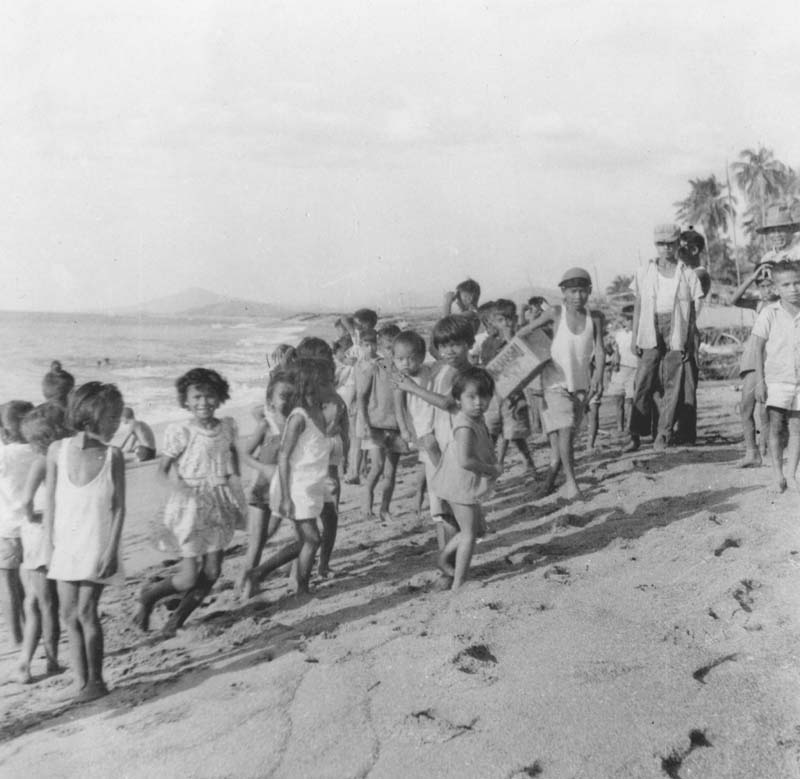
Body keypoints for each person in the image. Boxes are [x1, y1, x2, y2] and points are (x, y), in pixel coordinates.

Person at [135, 368, 246, 636]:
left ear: (220, 397)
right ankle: (149, 597)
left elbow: (232, 461)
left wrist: (236, 490)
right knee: (188, 577)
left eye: (209, 396)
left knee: (213, 572)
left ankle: (175, 622)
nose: (203, 402)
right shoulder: (181, 431)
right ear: (185, 400)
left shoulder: (227, 427)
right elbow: (161, 472)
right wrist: (181, 489)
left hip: (218, 504)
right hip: (190, 509)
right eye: (196, 397)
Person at [45, 382, 126, 702]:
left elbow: (119, 507)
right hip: (65, 543)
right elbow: (50, 501)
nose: (117, 423)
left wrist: (112, 551)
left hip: (97, 544)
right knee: (68, 614)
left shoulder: (113, 456)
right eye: (112, 417)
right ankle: (80, 681)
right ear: (89, 415)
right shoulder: (57, 450)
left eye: (119, 416)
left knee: (86, 611)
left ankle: (96, 681)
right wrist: (49, 545)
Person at [518, 267, 605, 499]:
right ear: (564, 293)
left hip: (580, 385)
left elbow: (600, 350)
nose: (578, 296)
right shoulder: (556, 313)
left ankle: (550, 481)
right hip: (554, 383)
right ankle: (571, 484)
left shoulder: (595, 318)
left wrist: (598, 376)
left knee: (563, 437)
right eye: (572, 291)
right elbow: (524, 332)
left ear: (589, 291)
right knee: (565, 431)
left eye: (582, 291)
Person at [394, 315, 475, 558]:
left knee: (451, 506)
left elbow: (448, 403)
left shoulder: (464, 373)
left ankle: (449, 561)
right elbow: (429, 346)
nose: (449, 351)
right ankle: (447, 560)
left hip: (454, 445)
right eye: (444, 346)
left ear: (469, 344)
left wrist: (412, 388)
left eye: (455, 345)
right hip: (437, 442)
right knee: (441, 508)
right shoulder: (440, 367)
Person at [625, 223, 704, 452]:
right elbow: (639, 306)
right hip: (650, 326)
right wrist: (634, 336)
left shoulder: (687, 273)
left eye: (670, 244)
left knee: (674, 383)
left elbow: (691, 313)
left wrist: (689, 341)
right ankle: (635, 434)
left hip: (677, 328)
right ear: (655, 245)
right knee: (643, 381)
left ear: (678, 244)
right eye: (661, 244)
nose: (666, 249)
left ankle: (664, 433)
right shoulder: (644, 272)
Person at [430, 367, 501, 589]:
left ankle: (443, 559)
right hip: (461, 482)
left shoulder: (476, 418)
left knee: (476, 530)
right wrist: (492, 470)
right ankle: (459, 582)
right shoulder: (465, 425)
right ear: (458, 399)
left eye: (484, 396)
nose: (478, 402)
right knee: (469, 534)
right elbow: (465, 461)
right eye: (471, 397)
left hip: (461, 481)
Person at [12, 403, 68, 683]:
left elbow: (25, 502)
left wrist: (34, 516)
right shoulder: (62, 460)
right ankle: (51, 660)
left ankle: (26, 661)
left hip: (35, 535)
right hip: (55, 532)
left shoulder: (41, 462)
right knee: (50, 603)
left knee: (37, 600)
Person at [238, 370, 293, 597]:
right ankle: (245, 585)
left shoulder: (298, 424)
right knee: (258, 541)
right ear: (270, 401)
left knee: (285, 532)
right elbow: (245, 454)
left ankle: (290, 573)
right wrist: (264, 468)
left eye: (293, 396)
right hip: (262, 489)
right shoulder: (266, 426)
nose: (289, 401)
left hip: (287, 490)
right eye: (283, 396)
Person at [752, 259, 800, 493]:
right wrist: (760, 382)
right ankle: (777, 475)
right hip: (777, 380)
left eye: (797, 283)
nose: (793, 289)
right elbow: (757, 348)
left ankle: (791, 474)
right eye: (786, 285)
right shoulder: (769, 313)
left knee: (797, 427)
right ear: (776, 288)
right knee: (776, 427)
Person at [481, 299, 536, 471]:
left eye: (509, 319)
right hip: (494, 394)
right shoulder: (488, 343)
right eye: (501, 320)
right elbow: (487, 366)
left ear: (515, 319)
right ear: (493, 322)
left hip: (513, 393)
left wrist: (510, 339)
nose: (506, 323)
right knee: (493, 430)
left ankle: (524, 460)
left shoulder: (519, 338)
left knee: (514, 432)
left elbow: (525, 361)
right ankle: (492, 463)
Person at [731, 263, 777, 467]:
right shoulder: (758, 304)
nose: (767, 290)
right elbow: (733, 300)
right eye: (762, 286)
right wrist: (751, 277)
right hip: (754, 359)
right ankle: (752, 452)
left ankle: (768, 448)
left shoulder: (788, 305)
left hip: (775, 358)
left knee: (767, 409)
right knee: (746, 406)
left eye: (770, 284)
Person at [358, 324, 405, 521]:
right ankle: (366, 503)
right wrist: (365, 422)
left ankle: (384, 509)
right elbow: (362, 396)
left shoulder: (403, 371)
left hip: (396, 426)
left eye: (394, 349)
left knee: (390, 471)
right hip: (376, 425)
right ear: (380, 346)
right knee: (376, 466)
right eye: (387, 348)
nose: (390, 353)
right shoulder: (374, 368)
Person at [393, 330, 440, 522]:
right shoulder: (400, 380)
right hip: (419, 426)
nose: (405, 363)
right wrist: (403, 429)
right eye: (400, 359)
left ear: (421, 357)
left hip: (434, 421)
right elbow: (398, 407)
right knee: (431, 458)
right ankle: (435, 498)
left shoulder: (428, 370)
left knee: (433, 462)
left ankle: (431, 495)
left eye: (410, 358)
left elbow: (438, 358)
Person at [0, 401, 35, 650]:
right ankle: (35, 630)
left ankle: (16, 637)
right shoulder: (40, 451)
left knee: (7, 584)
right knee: (33, 585)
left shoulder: (3, 456)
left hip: (7, 528)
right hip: (35, 526)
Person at [605, 305, 638, 433]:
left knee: (630, 400)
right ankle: (620, 427)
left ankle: (630, 426)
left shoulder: (639, 334)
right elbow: (612, 352)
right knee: (618, 399)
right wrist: (608, 347)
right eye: (625, 320)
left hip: (635, 369)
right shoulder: (619, 334)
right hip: (620, 369)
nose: (626, 322)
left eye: (628, 320)